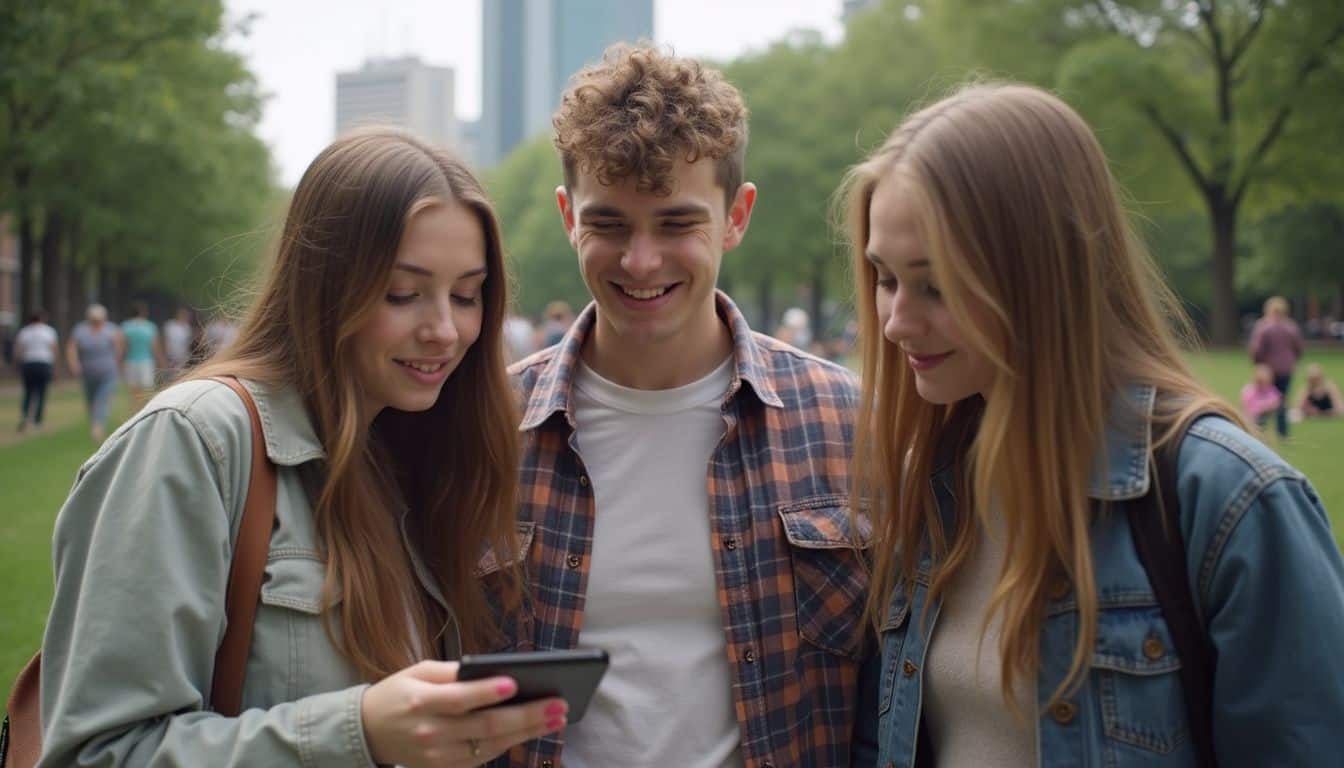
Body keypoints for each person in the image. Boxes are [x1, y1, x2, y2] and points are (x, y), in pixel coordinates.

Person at [843, 83, 1344, 766]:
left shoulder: (1227, 501)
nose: (895, 321)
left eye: (936, 285)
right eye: (884, 278)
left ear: (1039, 275)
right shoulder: (926, 487)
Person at [38, 128, 567, 767]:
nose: (444, 330)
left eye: (466, 294)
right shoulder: (196, 440)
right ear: (324, 282)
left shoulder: (408, 448)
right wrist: (359, 731)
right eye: (403, 293)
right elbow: (99, 752)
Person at [497, 43, 873, 767]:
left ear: (737, 216)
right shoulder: (486, 430)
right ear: (567, 215)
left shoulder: (847, 423)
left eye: (676, 224)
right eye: (609, 225)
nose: (642, 261)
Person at [65, 303, 124, 441]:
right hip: (88, 372)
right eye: (94, 319)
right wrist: (74, 364)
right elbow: (72, 347)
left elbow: (119, 346)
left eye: (99, 319)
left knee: (102, 399)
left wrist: (117, 361)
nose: (96, 322)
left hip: (108, 372)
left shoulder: (111, 330)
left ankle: (98, 426)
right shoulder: (81, 330)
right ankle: (95, 422)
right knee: (90, 400)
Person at [1248, 295, 1302, 439]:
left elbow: (1257, 349)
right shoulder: (1291, 327)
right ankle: (1282, 433)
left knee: (1263, 399)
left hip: (1267, 370)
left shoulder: (1263, 327)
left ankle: (1260, 429)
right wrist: (1294, 360)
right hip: (1286, 369)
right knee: (1282, 400)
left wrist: (1256, 363)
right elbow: (1298, 348)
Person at [14, 309, 58, 432]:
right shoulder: (48, 331)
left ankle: (25, 417)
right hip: (44, 363)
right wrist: (54, 367)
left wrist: (18, 364)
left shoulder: (25, 332)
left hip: (29, 363)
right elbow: (53, 349)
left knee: (28, 392)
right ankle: (38, 420)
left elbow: (19, 349)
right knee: (42, 392)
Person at [120, 301, 164, 408]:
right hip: (146, 361)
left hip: (131, 361)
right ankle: (145, 410)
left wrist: (120, 361)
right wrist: (161, 360)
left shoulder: (126, 327)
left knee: (134, 390)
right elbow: (154, 346)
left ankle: (135, 412)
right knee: (147, 390)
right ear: (143, 313)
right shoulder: (150, 327)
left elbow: (123, 347)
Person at [1240, 363, 1283, 429]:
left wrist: (1271, 405)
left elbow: (1276, 399)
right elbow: (1249, 406)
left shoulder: (1270, 389)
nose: (1263, 386)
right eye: (1260, 382)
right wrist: (1263, 406)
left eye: (1265, 383)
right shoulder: (1249, 390)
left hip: (1266, 417)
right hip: (1251, 417)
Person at [162, 306, 196, 377]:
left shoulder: (187, 328)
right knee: (170, 374)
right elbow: (165, 340)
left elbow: (188, 343)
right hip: (171, 355)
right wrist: (165, 354)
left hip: (183, 356)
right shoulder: (170, 325)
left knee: (180, 375)